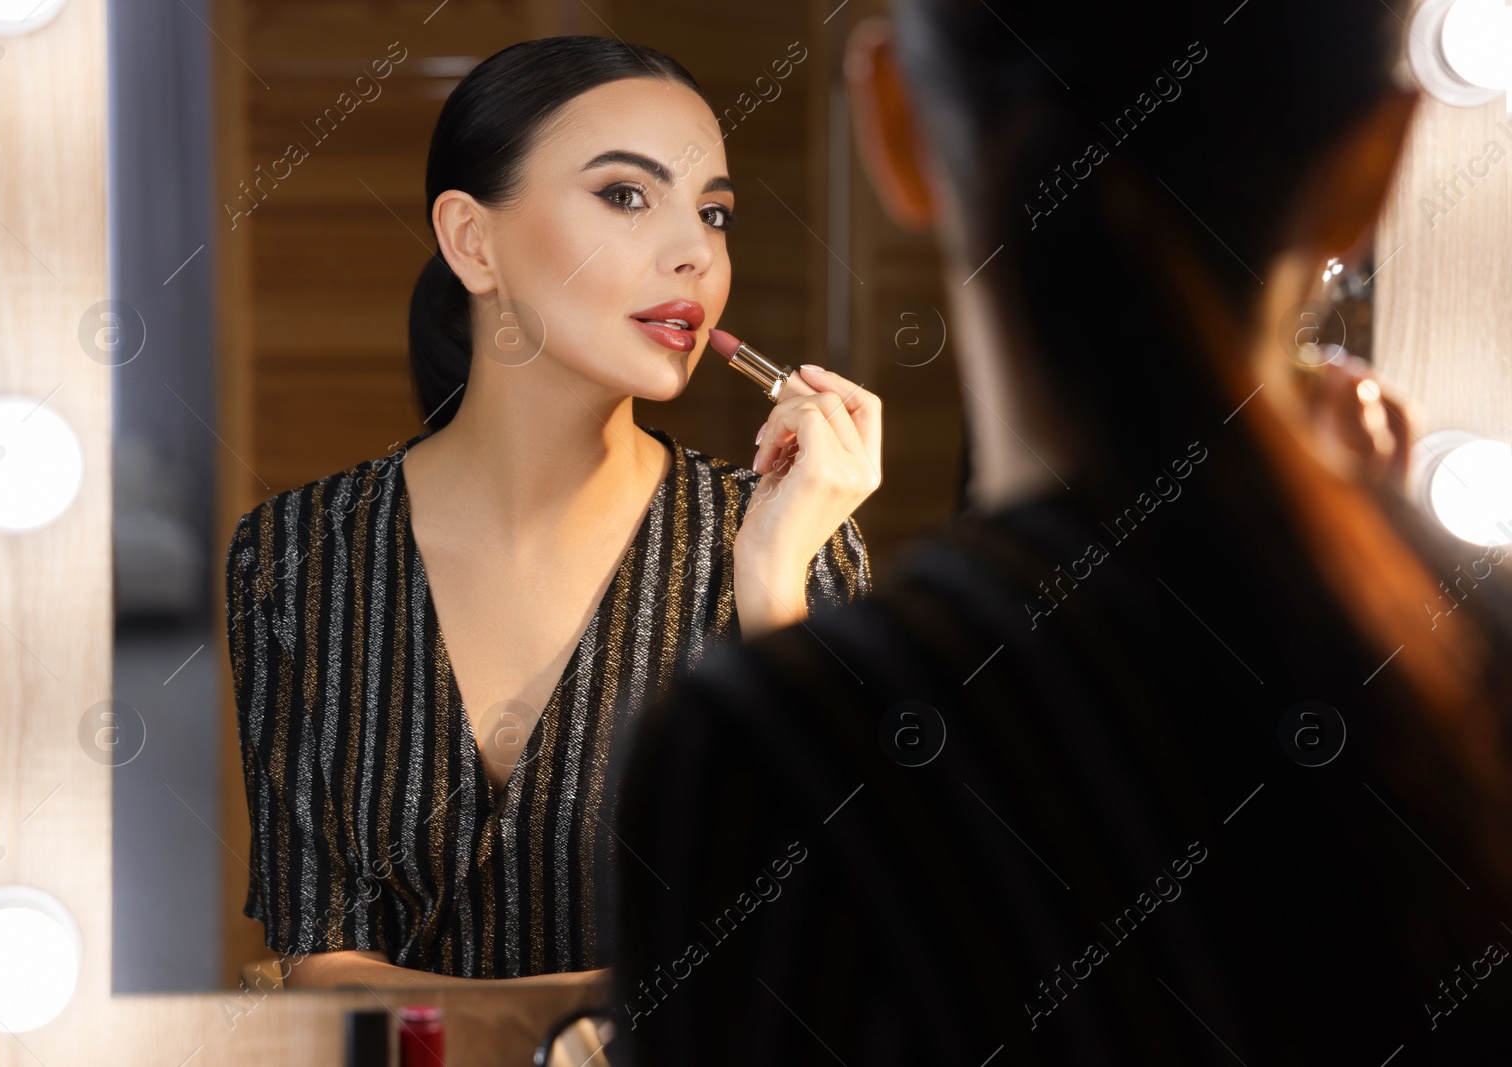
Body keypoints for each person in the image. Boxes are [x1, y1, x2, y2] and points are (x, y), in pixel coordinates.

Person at [606, 1, 1512, 1062]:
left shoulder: (767, 739)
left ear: (891, 122)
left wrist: (782, 631)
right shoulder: (1463, 654)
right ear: (1380, 161)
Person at [223, 35, 881, 987]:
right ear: (471, 241)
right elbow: (323, 968)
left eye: (714, 212)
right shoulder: (294, 554)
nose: (696, 250)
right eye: (626, 195)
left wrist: (774, 587)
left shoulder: (796, 545)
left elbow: (836, 933)